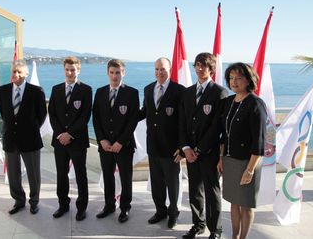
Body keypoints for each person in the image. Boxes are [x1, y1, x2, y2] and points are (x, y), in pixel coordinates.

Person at [180, 52, 228, 239]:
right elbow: (182, 122)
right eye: (198, 65)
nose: (200, 69)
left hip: (209, 153)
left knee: (212, 192)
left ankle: (215, 230)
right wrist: (186, 148)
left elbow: (217, 126)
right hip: (190, 153)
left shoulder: (219, 92)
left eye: (204, 66)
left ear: (211, 69)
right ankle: (198, 225)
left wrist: (198, 149)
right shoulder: (188, 92)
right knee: (194, 191)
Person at [217, 62, 267, 239]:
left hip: (248, 162)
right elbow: (224, 135)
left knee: (246, 205)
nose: (234, 82)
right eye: (231, 78)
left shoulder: (256, 104)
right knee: (233, 202)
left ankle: (243, 238)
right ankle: (234, 236)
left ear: (248, 80)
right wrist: (221, 158)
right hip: (229, 160)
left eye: (238, 78)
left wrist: (250, 170)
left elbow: (259, 142)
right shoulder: (228, 102)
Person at [139, 57, 185, 228]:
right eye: (157, 69)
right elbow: (145, 112)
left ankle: (173, 212)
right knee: (157, 184)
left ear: (170, 70)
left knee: (173, 185)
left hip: (172, 149)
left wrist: (182, 147)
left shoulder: (180, 91)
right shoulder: (148, 88)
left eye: (163, 69)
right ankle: (160, 211)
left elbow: (183, 122)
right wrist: (126, 116)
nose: (159, 72)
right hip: (153, 146)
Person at [0, 60, 47, 215]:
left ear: (26, 74)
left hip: (30, 139)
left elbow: (42, 115)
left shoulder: (36, 91)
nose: (15, 74)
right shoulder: (2, 90)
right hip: (10, 139)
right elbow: (5, 114)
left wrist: (30, 129)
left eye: (19, 72)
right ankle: (19, 201)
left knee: (33, 173)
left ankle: (34, 202)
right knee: (13, 174)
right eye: (13, 71)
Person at [93, 59, 139, 223]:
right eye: (112, 72)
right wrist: (102, 140)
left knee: (126, 179)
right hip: (105, 146)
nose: (114, 76)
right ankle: (109, 205)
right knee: (107, 176)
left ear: (123, 73)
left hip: (124, 146)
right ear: (107, 73)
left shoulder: (132, 93)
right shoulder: (99, 92)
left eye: (118, 72)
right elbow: (96, 119)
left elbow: (132, 121)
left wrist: (121, 141)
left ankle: (125, 208)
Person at [48, 56, 92, 221]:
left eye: (73, 69)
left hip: (77, 140)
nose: (69, 72)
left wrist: (70, 134)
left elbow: (85, 116)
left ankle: (81, 208)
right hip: (60, 141)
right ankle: (63, 205)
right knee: (61, 174)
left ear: (78, 70)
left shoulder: (86, 90)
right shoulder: (55, 89)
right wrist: (60, 134)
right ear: (64, 70)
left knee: (81, 175)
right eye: (67, 69)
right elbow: (52, 113)